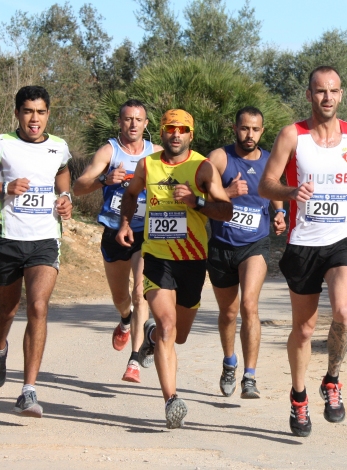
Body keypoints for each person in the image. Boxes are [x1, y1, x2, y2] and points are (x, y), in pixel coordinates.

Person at [259, 66, 347, 437]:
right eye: (320, 91)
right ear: (309, 95)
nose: (328, 97)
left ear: (341, 95)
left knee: (344, 312)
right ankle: (298, 397)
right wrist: (291, 193)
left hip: (343, 237)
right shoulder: (291, 135)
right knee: (305, 329)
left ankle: (332, 380)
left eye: (334, 91)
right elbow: (266, 184)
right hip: (303, 241)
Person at [0, 85, 73, 418]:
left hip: (45, 240)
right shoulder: (1, 145)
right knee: (7, 307)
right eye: (27, 111)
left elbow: (63, 174)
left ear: (48, 113)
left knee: (38, 305)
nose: (34, 119)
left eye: (40, 112)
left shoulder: (58, 147)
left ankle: (28, 391)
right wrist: (2, 187)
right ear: (17, 113)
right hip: (7, 239)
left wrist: (66, 198)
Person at [116, 109, 232, 429]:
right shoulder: (148, 164)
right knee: (168, 327)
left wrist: (197, 202)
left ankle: (150, 335)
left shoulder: (202, 167)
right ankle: (171, 401)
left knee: (177, 336)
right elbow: (129, 194)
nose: (176, 134)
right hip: (157, 256)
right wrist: (126, 222)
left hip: (193, 261)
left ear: (191, 135)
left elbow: (225, 210)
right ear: (163, 132)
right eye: (170, 128)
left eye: (182, 129)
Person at [71, 99, 161, 383]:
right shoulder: (109, 151)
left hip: (144, 232)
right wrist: (105, 180)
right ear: (120, 122)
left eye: (138, 119)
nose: (133, 124)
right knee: (122, 299)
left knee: (139, 293)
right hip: (113, 231)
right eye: (128, 119)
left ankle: (134, 360)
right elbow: (78, 187)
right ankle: (125, 320)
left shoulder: (156, 153)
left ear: (146, 124)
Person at [206, 106, 286, 399]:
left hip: (255, 244)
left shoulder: (269, 161)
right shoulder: (219, 158)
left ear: (262, 132)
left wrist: (280, 214)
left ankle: (249, 377)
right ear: (235, 128)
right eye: (244, 128)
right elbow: (196, 193)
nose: (249, 134)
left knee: (248, 305)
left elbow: (276, 191)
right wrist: (227, 192)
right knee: (227, 312)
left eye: (255, 129)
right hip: (220, 245)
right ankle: (230, 363)